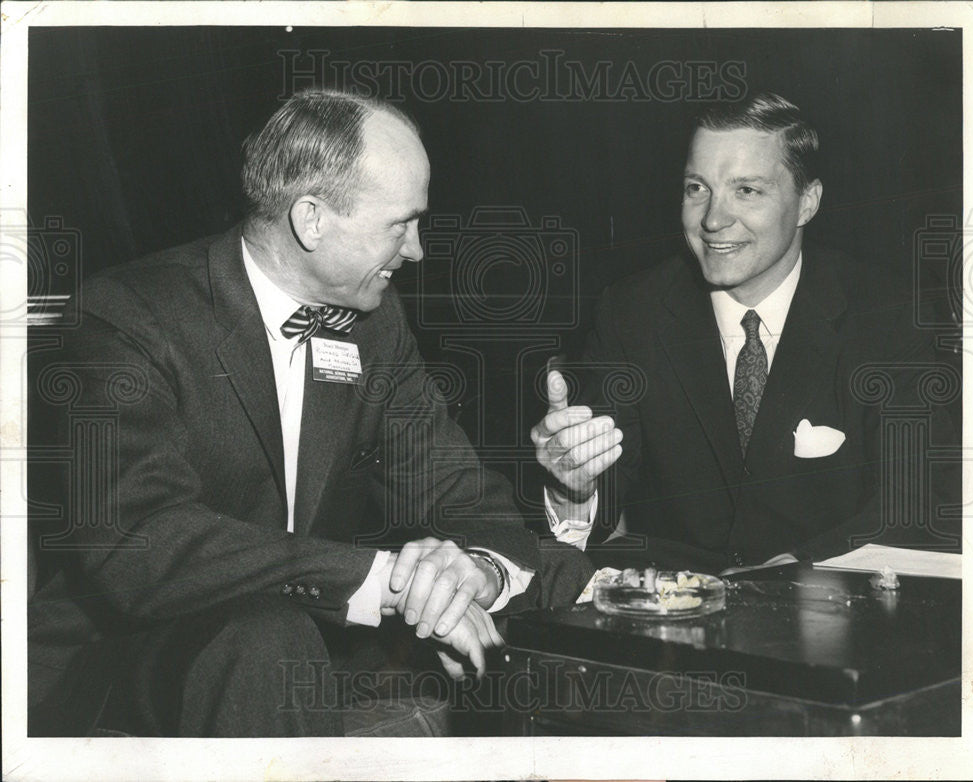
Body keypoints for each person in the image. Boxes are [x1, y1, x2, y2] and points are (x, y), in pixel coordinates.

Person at [28, 89, 591, 737]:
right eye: (400, 224)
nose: (417, 251)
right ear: (311, 220)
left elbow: (469, 499)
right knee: (268, 639)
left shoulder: (373, 329)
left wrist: (476, 572)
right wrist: (388, 580)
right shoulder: (126, 316)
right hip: (115, 659)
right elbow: (142, 546)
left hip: (297, 648)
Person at [533, 92, 960, 574]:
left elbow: (919, 499)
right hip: (674, 612)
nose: (713, 220)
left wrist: (799, 568)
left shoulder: (889, 317)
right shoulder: (632, 312)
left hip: (830, 608)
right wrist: (573, 487)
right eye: (697, 188)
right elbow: (600, 502)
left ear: (807, 202)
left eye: (747, 191)